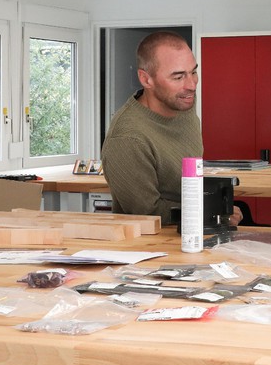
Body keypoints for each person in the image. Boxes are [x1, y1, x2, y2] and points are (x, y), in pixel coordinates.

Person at [101, 31, 241, 225]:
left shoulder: (181, 101)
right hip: (156, 246)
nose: (191, 85)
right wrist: (212, 212)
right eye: (178, 77)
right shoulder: (128, 139)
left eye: (193, 72)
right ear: (146, 79)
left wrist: (217, 206)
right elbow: (147, 214)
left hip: (198, 230)